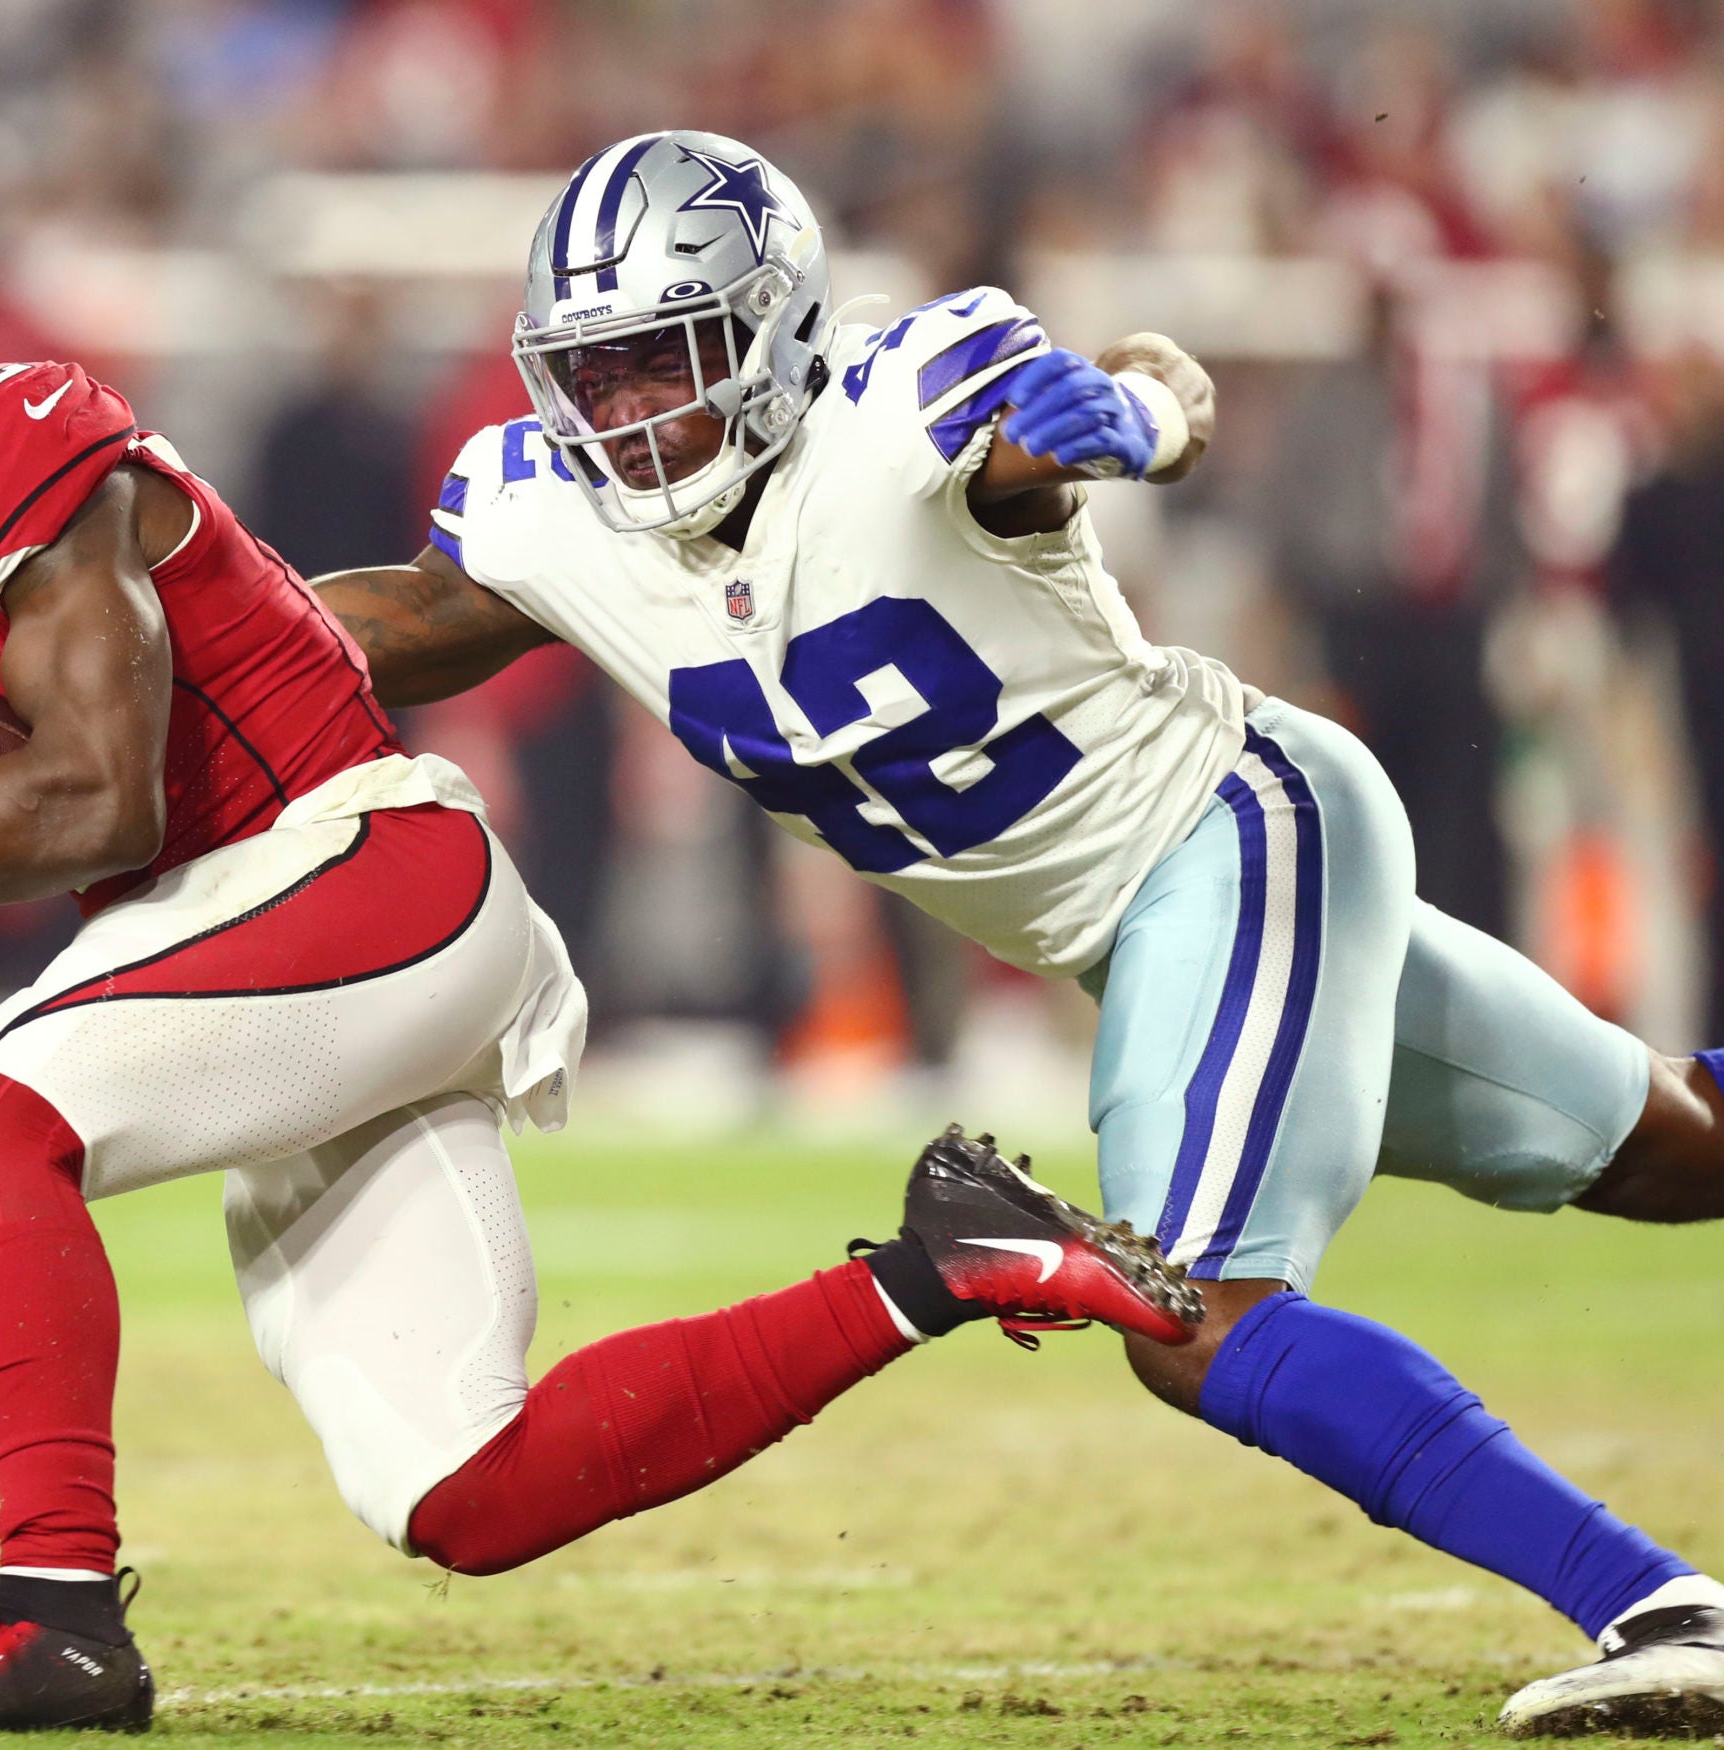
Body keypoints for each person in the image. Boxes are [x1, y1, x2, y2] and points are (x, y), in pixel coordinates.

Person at [0, 187, 1203, 1734]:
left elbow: (98, 797)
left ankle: (55, 1613)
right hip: (258, 954)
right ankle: (948, 1262)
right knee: (464, 1488)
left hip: (360, 865)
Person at [310, 129, 1724, 1739]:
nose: (624, 411)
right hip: (1154, 928)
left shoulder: (902, 405)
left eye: (663, 358)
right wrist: (170, 617)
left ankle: (1666, 1607)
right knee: (1674, 1145)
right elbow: (381, 626)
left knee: (1189, 1314)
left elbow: (1127, 392)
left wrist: (1138, 415)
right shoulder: (553, 516)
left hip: (1230, 829)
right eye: (593, 370)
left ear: (771, 330)